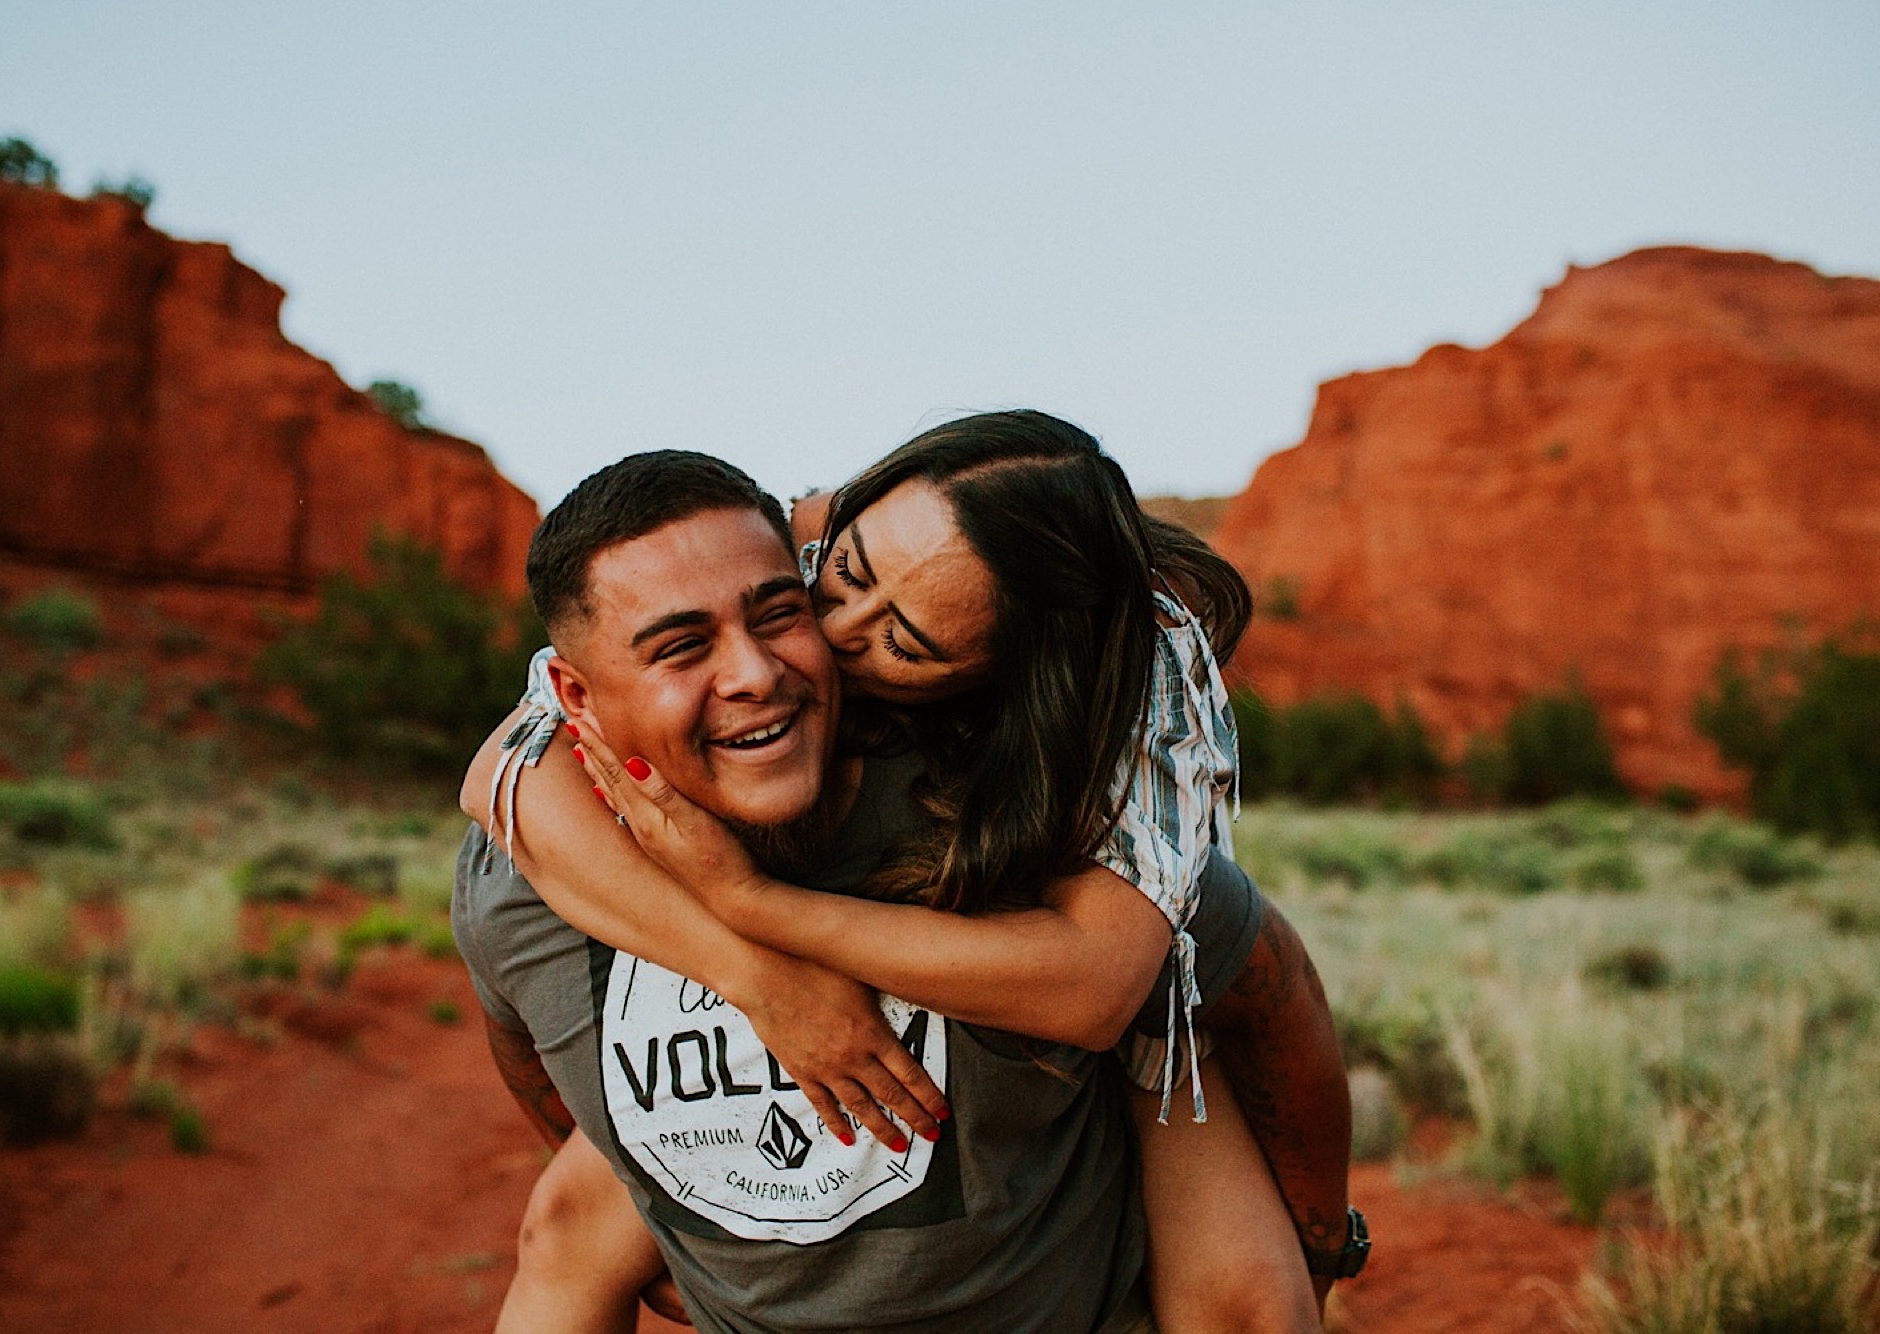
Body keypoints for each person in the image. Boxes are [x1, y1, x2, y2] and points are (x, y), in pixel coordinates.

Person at [468, 418, 1358, 1329]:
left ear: (997, 676)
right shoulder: (781, 549)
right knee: (566, 1223)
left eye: (906, 640)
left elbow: (1122, 984)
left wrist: (1325, 1241)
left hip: (1114, 1029)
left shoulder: (1110, 724)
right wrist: (754, 973)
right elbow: (500, 770)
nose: (828, 634)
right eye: (842, 578)